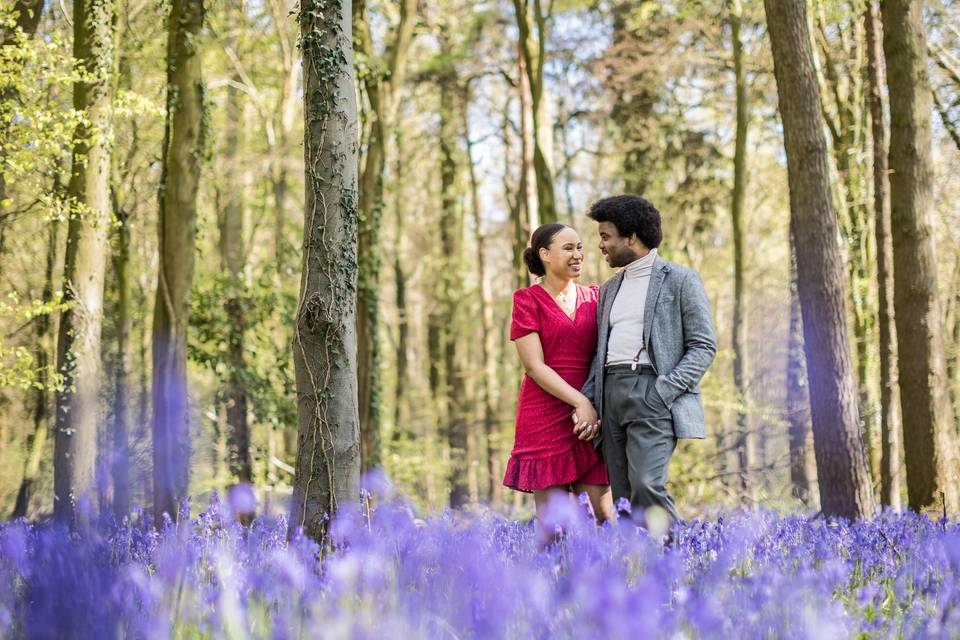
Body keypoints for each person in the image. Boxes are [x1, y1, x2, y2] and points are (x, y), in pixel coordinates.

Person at [580, 195, 717, 529]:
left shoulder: (681, 280)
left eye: (606, 236)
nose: (601, 245)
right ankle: (636, 574)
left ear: (631, 237)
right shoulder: (609, 289)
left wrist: (663, 391)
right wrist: (588, 400)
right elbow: (601, 352)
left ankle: (675, 567)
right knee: (624, 495)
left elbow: (703, 346)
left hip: (652, 392)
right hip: (610, 395)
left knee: (647, 485)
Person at [504, 223, 614, 525]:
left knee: (604, 516)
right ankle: (552, 573)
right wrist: (580, 402)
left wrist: (590, 407)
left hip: (591, 419)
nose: (578, 254)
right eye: (568, 248)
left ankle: (614, 573)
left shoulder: (596, 297)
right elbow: (534, 366)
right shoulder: (527, 300)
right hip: (545, 416)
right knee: (555, 527)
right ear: (545, 254)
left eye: (580, 247)